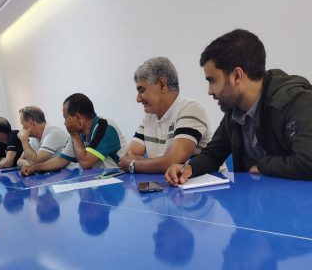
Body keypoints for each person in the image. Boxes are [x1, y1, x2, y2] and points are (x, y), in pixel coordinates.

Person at [165, 29, 312, 185]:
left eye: (212, 80)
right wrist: (189, 168)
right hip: (257, 197)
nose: (210, 91)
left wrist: (263, 166)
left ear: (237, 75)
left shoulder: (296, 101)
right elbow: (213, 155)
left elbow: (308, 162)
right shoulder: (235, 110)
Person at [119, 57, 211, 174]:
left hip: (211, 184)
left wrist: (135, 164)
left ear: (162, 85)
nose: (138, 99)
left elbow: (174, 161)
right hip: (169, 183)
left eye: (142, 90)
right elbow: (125, 159)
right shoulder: (149, 117)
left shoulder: (191, 108)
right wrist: (159, 163)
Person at [21, 93, 127, 175]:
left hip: (119, 181)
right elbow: (62, 160)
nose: (65, 123)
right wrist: (36, 167)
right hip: (98, 180)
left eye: (66, 118)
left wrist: (74, 135)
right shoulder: (78, 132)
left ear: (78, 118)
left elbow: (86, 163)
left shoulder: (105, 126)